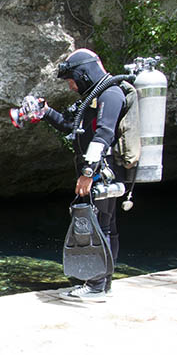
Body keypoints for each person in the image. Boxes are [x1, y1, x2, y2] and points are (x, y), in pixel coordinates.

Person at [42, 48, 125, 302]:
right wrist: (45, 111)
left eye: (71, 80)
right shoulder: (94, 96)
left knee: (99, 225)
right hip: (97, 170)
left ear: (84, 73)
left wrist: (89, 173)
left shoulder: (110, 94)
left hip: (103, 171)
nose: (71, 86)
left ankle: (97, 285)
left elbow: (104, 134)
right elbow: (71, 124)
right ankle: (101, 282)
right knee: (103, 224)